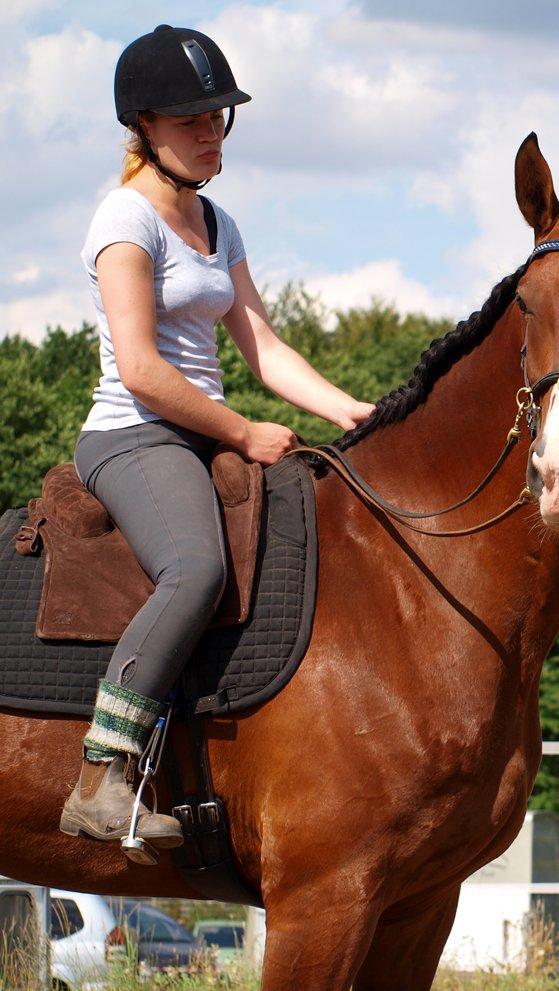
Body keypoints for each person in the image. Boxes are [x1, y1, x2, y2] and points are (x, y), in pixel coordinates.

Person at [59, 24, 375, 856]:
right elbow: (140, 369)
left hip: (205, 436)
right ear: (146, 127)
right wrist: (240, 431)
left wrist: (353, 412)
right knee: (196, 568)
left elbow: (264, 349)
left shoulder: (216, 220)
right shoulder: (125, 218)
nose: (211, 134)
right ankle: (101, 774)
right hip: (137, 436)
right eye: (193, 120)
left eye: (219, 118)